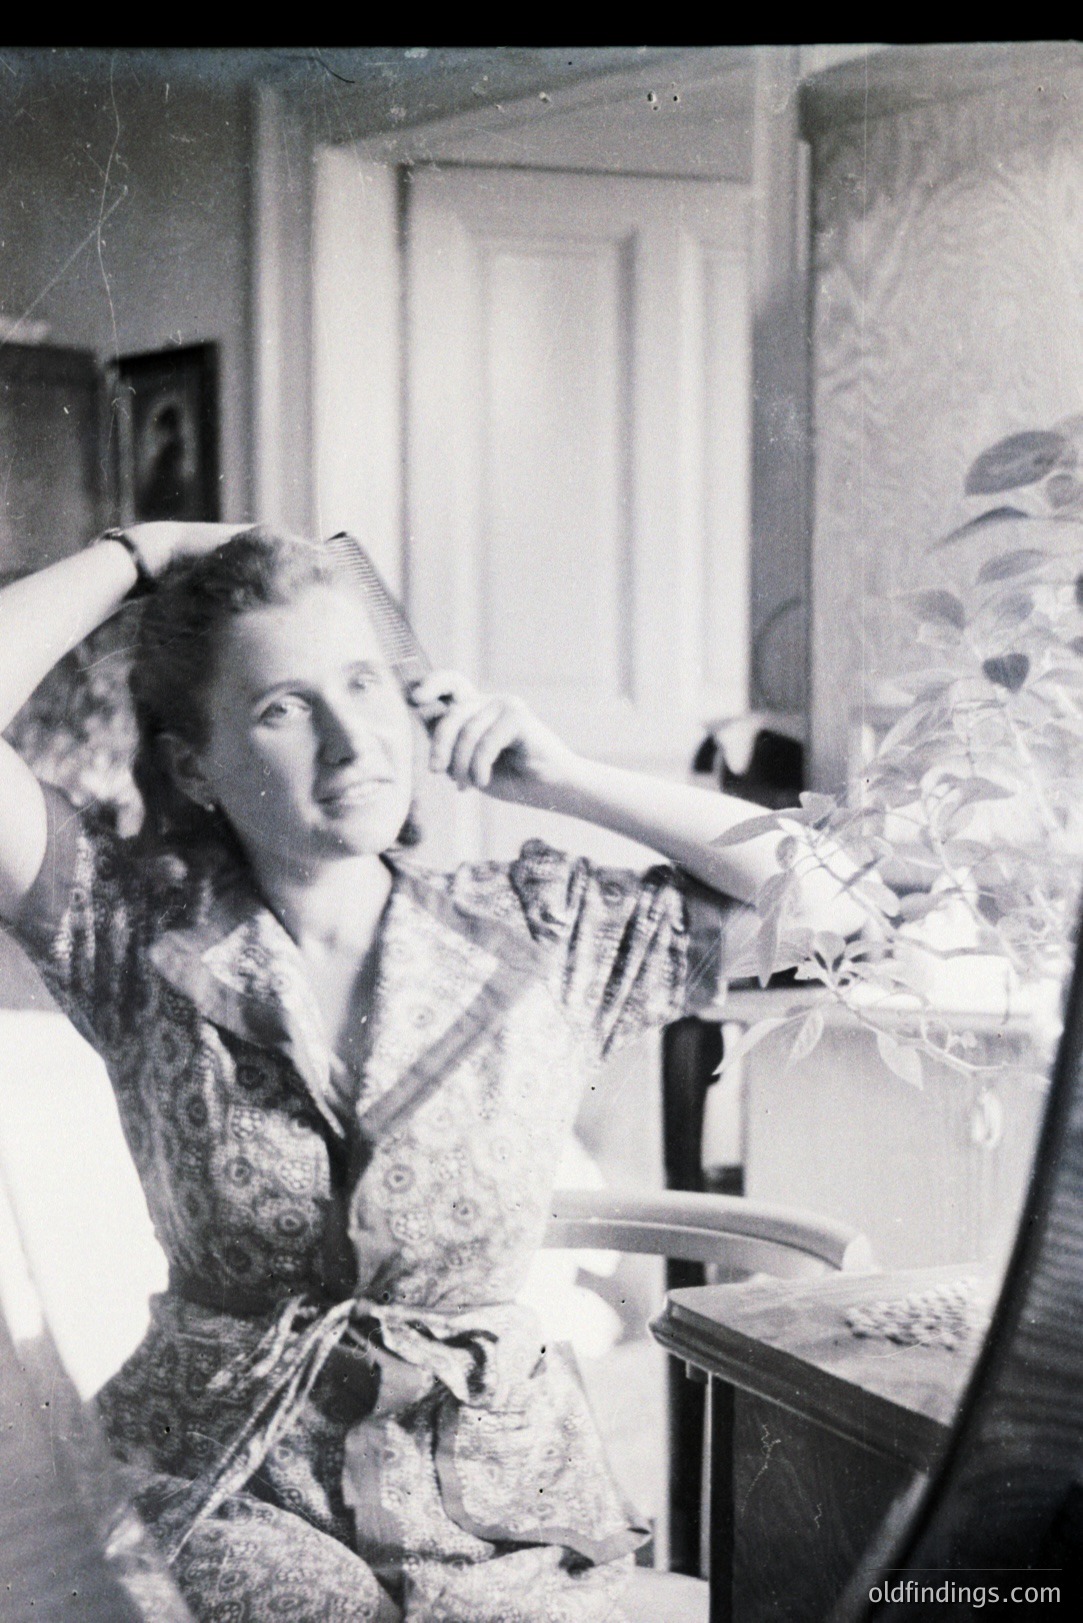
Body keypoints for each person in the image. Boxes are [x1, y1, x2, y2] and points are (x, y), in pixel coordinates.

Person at [0, 523, 863, 1622]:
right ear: (192, 767)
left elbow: (834, 902)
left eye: (363, 683)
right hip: (217, 1484)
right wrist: (139, 549)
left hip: (495, 1512)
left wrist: (566, 778)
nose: (350, 739)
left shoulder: (542, 931)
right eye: (282, 708)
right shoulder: (132, 935)